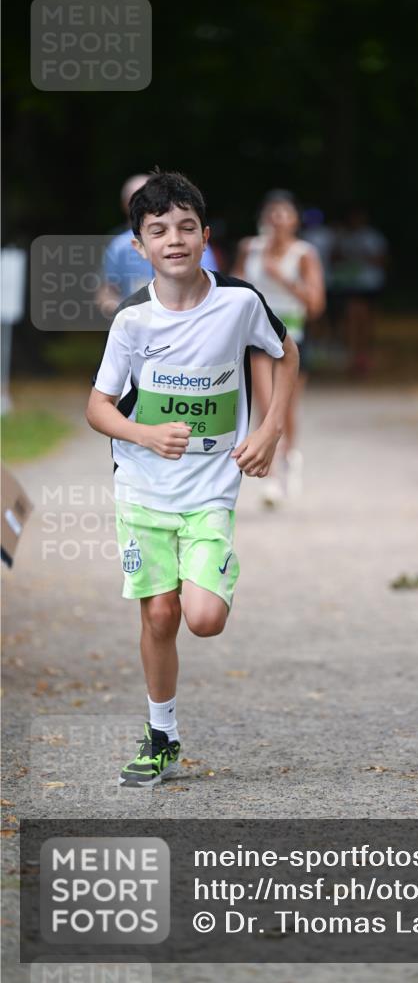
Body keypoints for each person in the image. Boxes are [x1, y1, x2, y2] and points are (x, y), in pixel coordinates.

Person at [86, 171, 299, 786]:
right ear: (139, 246)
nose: (173, 240)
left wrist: (270, 429)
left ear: (205, 237)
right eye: (158, 231)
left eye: (185, 228)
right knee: (159, 616)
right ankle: (161, 734)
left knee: (202, 616)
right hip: (142, 485)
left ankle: (215, 566)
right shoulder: (131, 321)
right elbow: (98, 408)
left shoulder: (239, 302)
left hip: (208, 487)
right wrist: (145, 434)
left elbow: (286, 355)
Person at [232, 190, 325, 506]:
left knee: (285, 409)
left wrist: (282, 278)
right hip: (257, 336)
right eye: (271, 213)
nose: (277, 220)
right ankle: (270, 478)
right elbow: (234, 288)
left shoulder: (304, 254)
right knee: (265, 403)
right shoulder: (250, 248)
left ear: (295, 220)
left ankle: (290, 456)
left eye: (284, 213)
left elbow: (315, 305)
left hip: (292, 339)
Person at [96, 173, 218, 319]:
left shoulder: (191, 242)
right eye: (158, 232)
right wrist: (125, 313)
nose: (174, 241)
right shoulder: (118, 245)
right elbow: (106, 290)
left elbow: (212, 283)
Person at [331, 206, 387, 376]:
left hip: (369, 284)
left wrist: (362, 259)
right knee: (352, 319)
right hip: (350, 284)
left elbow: (382, 259)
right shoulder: (344, 237)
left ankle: (364, 355)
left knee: (365, 320)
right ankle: (354, 356)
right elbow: (334, 258)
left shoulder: (373, 237)